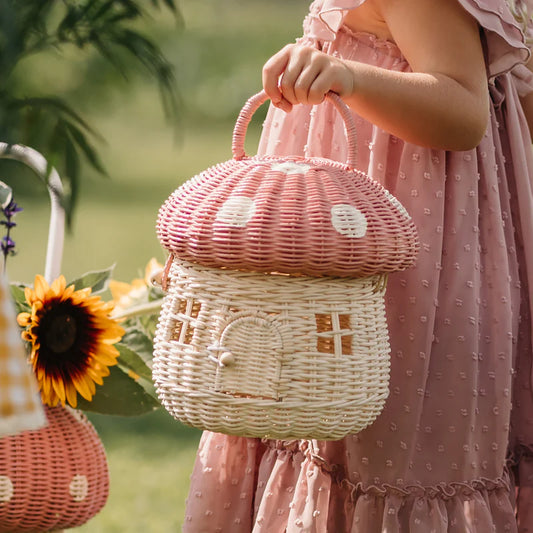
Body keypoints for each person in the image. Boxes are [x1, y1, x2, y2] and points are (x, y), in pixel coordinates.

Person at [183, 0, 533, 530]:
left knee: (385, 452)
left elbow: (463, 110)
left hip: (400, 258)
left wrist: (348, 76)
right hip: (421, 241)